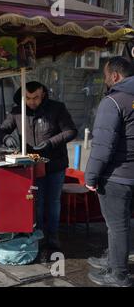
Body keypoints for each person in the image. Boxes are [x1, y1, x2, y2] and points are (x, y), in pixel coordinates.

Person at [0, 81, 77, 249]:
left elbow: (70, 131)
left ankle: (53, 234)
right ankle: (38, 232)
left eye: (36, 98)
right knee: (36, 201)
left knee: (53, 201)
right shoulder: (17, 111)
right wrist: (6, 138)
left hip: (55, 163)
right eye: (28, 98)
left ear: (43, 94)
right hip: (32, 165)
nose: (32, 102)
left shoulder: (57, 108)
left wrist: (50, 143)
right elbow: (0, 130)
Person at [85, 56, 134, 287]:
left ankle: (119, 274)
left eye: (106, 75)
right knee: (123, 224)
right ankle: (114, 262)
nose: (105, 80)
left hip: (117, 175)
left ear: (115, 76)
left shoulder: (113, 101)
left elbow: (103, 145)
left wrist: (91, 176)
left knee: (117, 226)